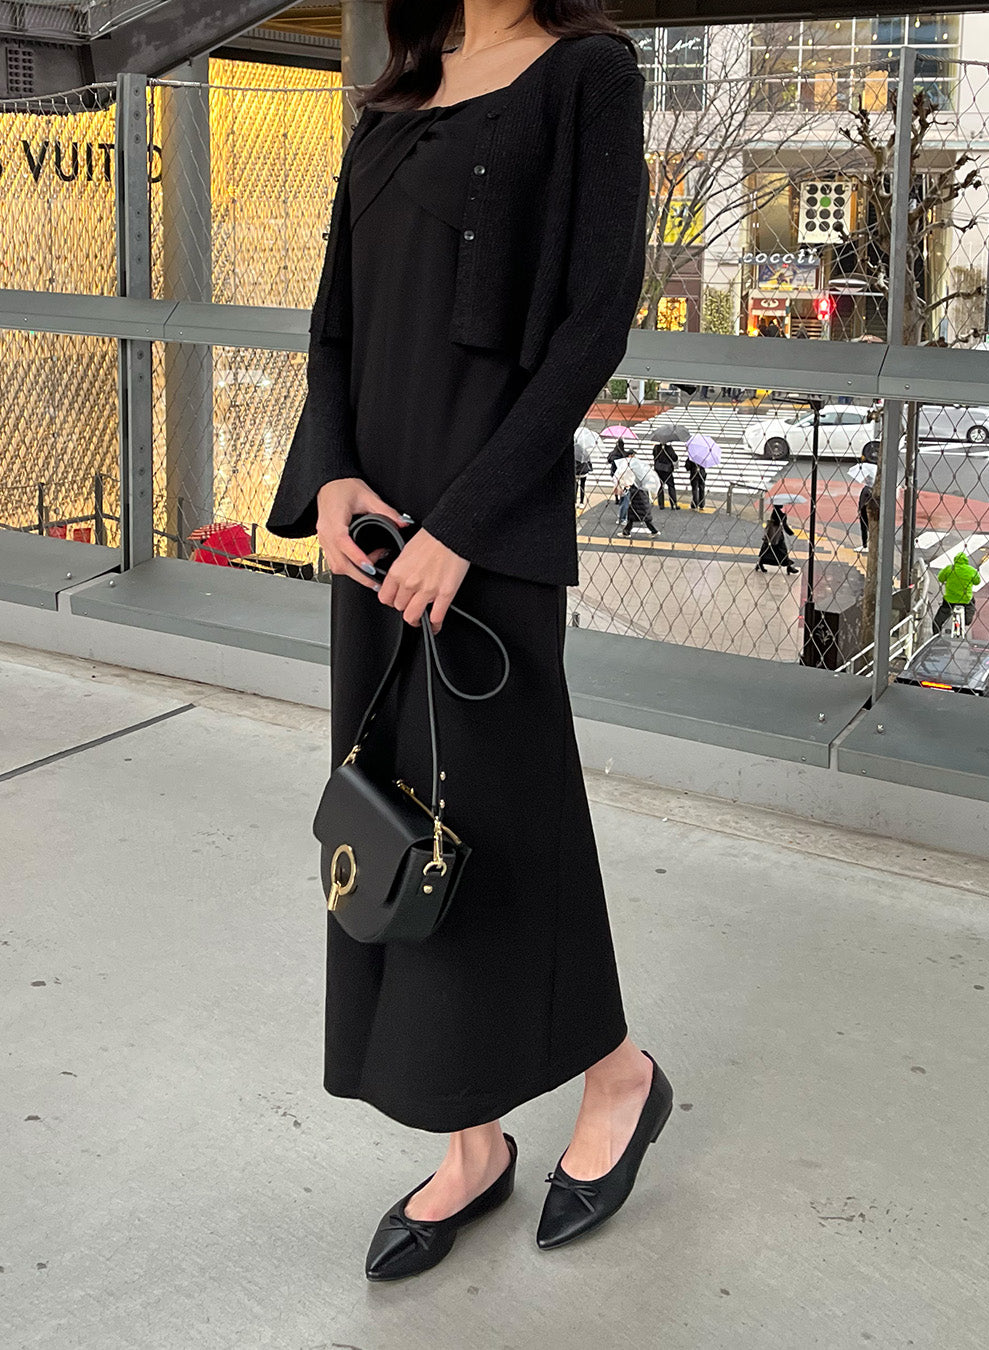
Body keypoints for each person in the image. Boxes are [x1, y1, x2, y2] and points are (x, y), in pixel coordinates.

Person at [265, 5, 672, 1283]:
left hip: (481, 530)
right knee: (398, 818)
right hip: (377, 529)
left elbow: (594, 322)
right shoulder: (397, 88)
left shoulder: (589, 73)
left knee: (506, 818)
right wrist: (332, 478)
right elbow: (334, 319)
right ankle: (472, 1139)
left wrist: (466, 527)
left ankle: (619, 1077)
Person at [614, 447, 660, 537]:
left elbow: (631, 480)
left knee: (640, 515)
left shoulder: (633, 466)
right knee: (635, 515)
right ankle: (626, 532)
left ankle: (654, 531)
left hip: (637, 494)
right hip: (640, 493)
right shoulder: (638, 466)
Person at [932, 551, 981, 634]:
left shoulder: (949, 569)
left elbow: (940, 578)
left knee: (939, 618)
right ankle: (967, 619)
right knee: (971, 604)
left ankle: (936, 632)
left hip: (950, 599)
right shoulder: (971, 570)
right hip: (966, 599)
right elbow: (977, 582)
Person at [755, 504, 800, 575]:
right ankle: (788, 567)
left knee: (768, 550)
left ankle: (760, 564)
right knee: (782, 551)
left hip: (772, 535)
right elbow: (783, 524)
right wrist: (790, 531)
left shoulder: (775, 511)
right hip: (777, 536)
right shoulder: (778, 513)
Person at [652, 441, 679, 509]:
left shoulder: (656, 447)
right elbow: (674, 458)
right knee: (671, 486)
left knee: (660, 486)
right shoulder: (669, 448)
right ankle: (673, 504)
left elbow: (654, 456)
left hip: (658, 469)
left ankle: (661, 505)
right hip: (667, 469)